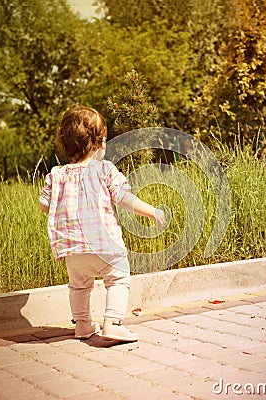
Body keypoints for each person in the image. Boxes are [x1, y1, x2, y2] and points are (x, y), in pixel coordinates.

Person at [39, 105, 165, 342]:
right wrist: (152, 212)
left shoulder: (56, 175)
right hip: (105, 244)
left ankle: (83, 325)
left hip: (73, 249)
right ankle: (112, 323)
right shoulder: (105, 169)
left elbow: (45, 204)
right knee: (118, 278)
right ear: (98, 144)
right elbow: (124, 199)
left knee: (78, 286)